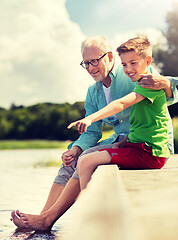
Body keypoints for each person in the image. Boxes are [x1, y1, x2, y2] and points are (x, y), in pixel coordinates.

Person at [11, 36, 178, 231]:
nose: (90, 68)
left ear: (108, 57)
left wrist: (166, 83)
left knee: (88, 158)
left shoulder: (131, 72)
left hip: (143, 143)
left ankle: (51, 219)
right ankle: (43, 217)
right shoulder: (93, 91)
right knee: (72, 160)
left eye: (94, 61)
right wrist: (77, 148)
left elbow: (165, 86)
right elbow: (91, 132)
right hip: (120, 142)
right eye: (86, 63)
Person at [68, 36, 170, 189]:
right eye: (124, 65)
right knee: (85, 159)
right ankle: (87, 206)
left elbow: (120, 104)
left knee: (86, 161)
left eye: (133, 63)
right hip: (137, 147)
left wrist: (90, 118)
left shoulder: (149, 84)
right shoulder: (136, 87)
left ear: (148, 61)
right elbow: (137, 129)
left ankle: (87, 207)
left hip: (150, 153)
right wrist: (119, 145)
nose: (128, 69)